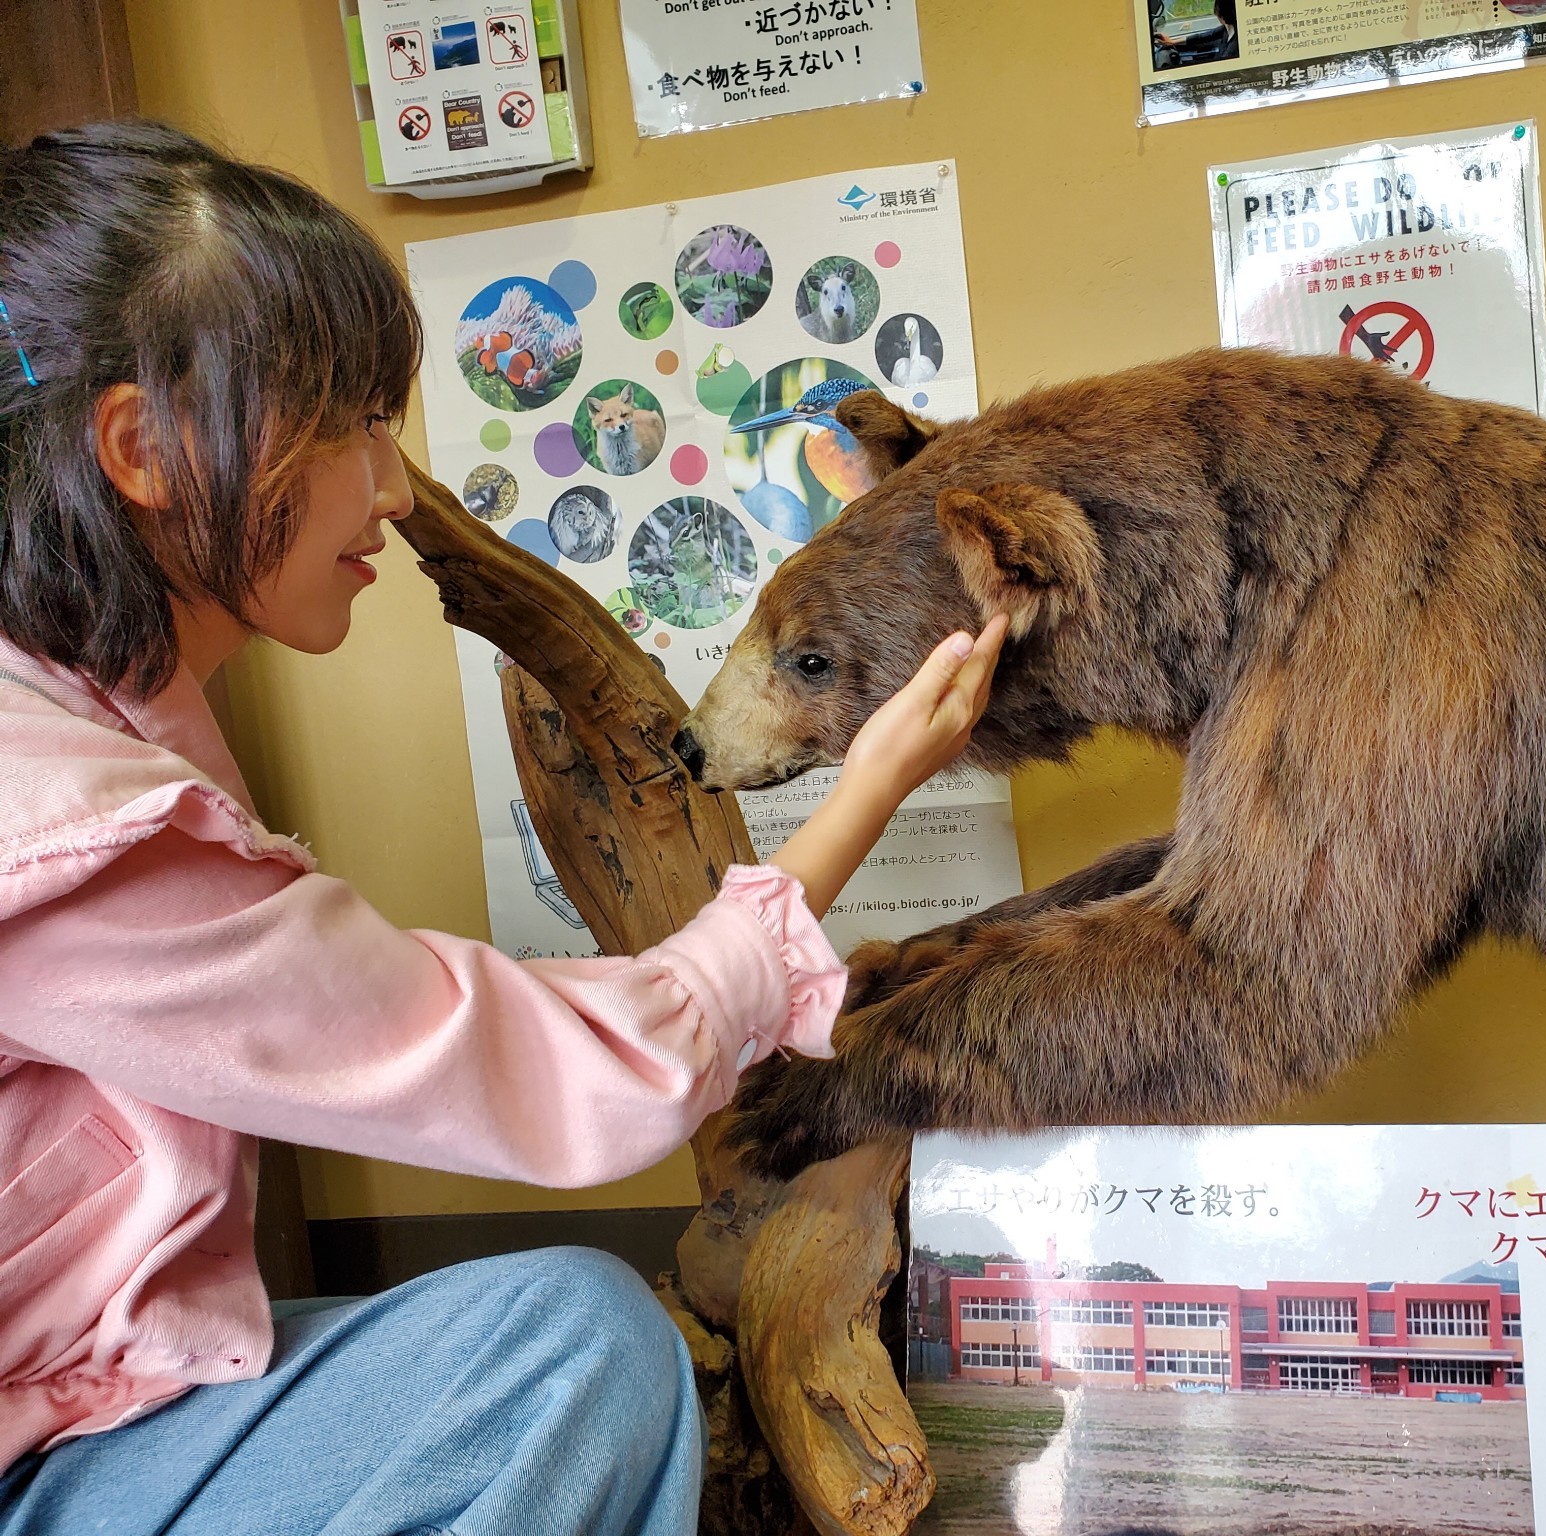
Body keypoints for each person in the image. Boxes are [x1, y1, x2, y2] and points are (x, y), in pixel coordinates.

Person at [0, 120, 1006, 1535]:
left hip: (93, 1390)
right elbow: (544, 1069)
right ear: (141, 447)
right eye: (348, 420)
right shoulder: (58, 823)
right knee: (574, 1349)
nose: (396, 485)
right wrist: (862, 795)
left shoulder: (102, 701)